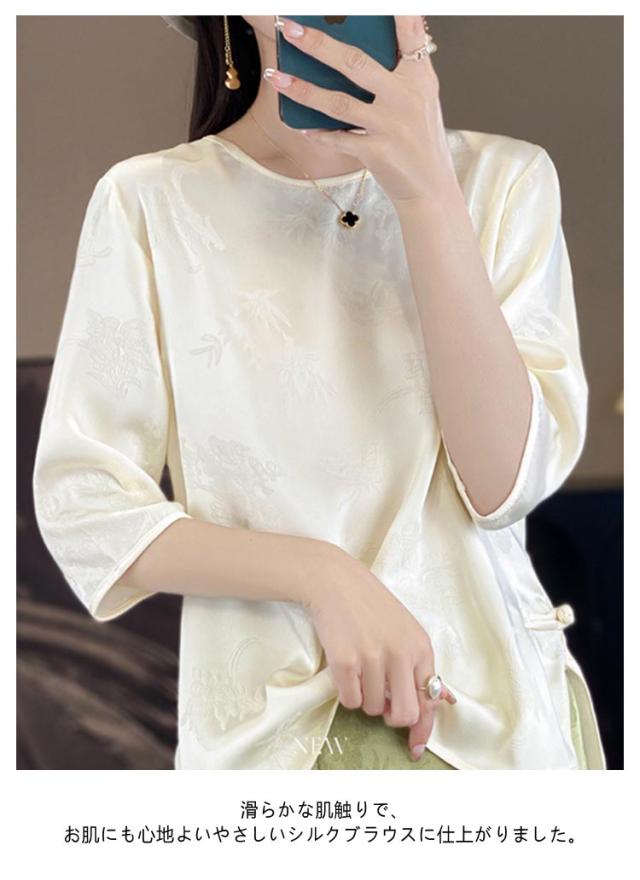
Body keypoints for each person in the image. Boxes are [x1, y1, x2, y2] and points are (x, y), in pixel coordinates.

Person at [32, 14, 607, 770]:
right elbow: (85, 506)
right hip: (275, 745)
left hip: (502, 738)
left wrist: (427, 192)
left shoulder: (505, 181)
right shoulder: (149, 201)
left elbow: (503, 486)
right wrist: (321, 576)